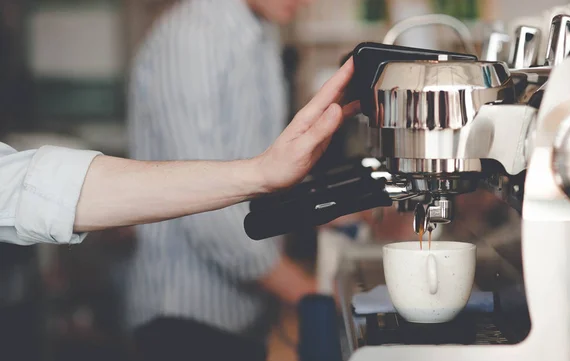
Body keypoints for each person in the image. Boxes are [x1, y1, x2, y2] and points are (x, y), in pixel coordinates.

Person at [125, 1, 345, 361]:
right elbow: (205, 208)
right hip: (187, 325)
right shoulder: (196, 36)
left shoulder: (257, 32)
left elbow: (259, 170)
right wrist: (312, 295)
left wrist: (330, 207)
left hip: (240, 315)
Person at [0, 57, 357, 246]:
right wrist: (261, 173)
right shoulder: (194, 39)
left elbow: (31, 189)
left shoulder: (256, 37)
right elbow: (34, 192)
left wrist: (262, 172)